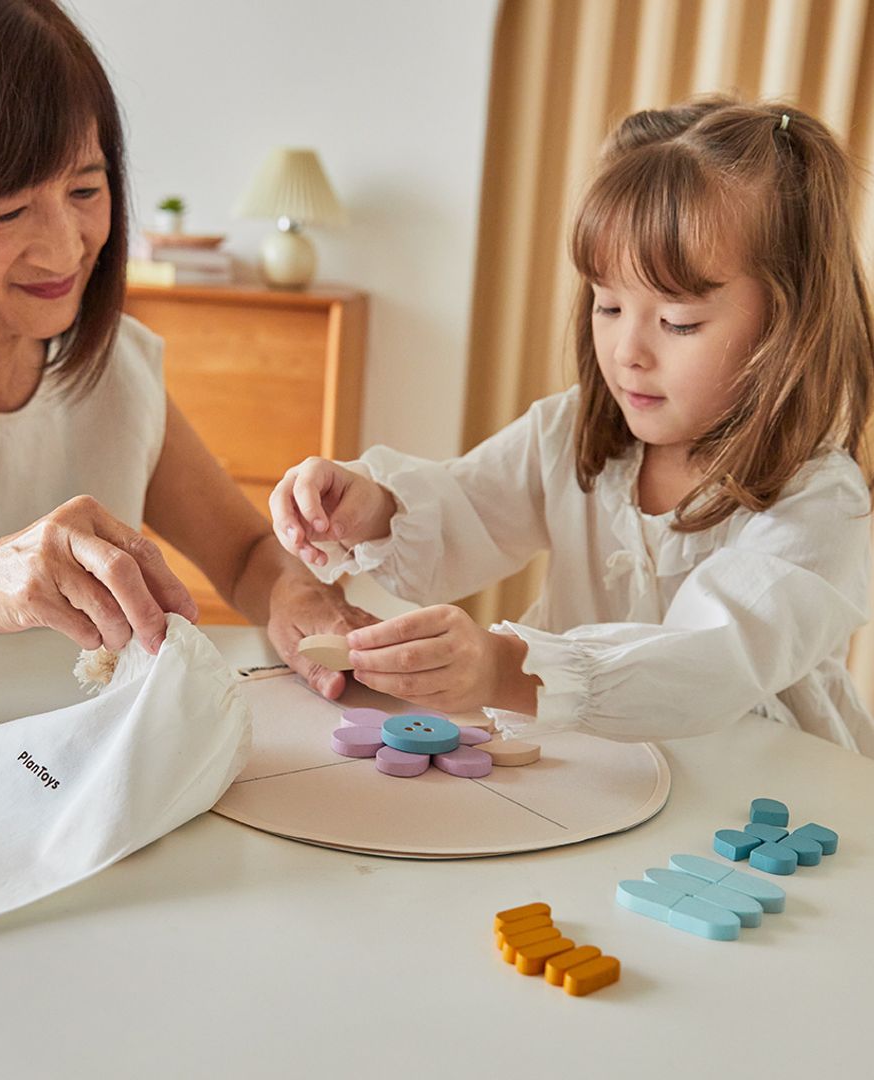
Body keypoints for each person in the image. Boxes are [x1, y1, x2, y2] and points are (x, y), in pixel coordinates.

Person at [0, 0, 371, 698]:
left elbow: (248, 554)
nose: (66, 246)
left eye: (86, 189)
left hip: (67, 757)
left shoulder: (117, 367)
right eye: (9, 210)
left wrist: (298, 599)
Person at [270, 97, 874, 756]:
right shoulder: (570, 431)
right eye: (608, 305)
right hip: (593, 771)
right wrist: (375, 508)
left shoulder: (823, 502)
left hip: (762, 779)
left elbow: (713, 660)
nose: (627, 351)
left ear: (787, 326)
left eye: (678, 322)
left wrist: (507, 669)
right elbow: (468, 506)